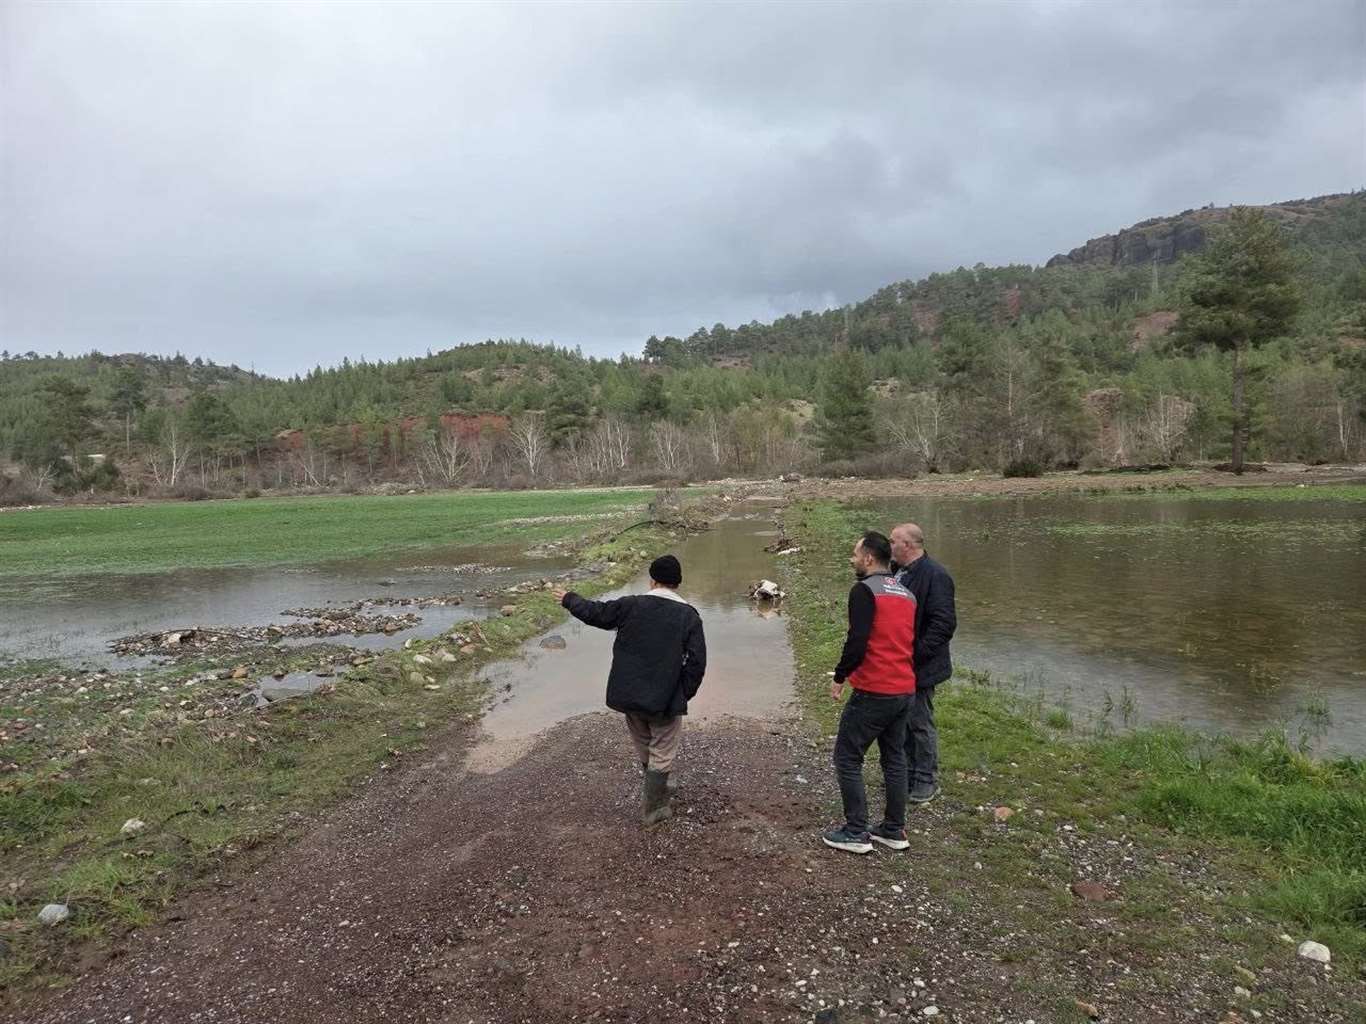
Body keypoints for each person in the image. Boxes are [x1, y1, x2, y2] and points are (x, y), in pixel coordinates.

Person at [554, 555, 706, 826]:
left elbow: (595, 613)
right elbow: (697, 663)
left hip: (628, 695)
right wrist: (683, 693)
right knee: (662, 748)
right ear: (678, 583)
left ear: (652, 580)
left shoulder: (630, 605)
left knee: (644, 744)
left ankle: (658, 788)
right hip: (665, 700)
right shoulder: (688, 616)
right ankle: (655, 809)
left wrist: (569, 598)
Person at [823, 531, 917, 855]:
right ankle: (893, 829)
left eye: (855, 554)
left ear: (868, 558)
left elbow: (857, 641)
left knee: (847, 757)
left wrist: (839, 676)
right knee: (894, 759)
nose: (852, 559)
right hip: (904, 688)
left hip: (875, 690)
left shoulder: (864, 591)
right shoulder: (906, 593)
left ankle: (855, 831)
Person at [890, 522, 957, 803]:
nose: (889, 544)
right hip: (898, 663)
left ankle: (926, 780)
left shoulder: (935, 575)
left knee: (919, 722)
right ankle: (906, 774)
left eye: (893, 541)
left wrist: (914, 654)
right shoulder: (897, 571)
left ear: (908, 545)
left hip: (921, 665)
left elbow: (944, 624)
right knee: (901, 721)